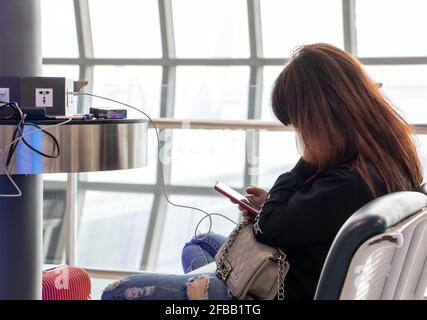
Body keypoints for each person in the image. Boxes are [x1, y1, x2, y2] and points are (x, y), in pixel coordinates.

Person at [101, 43, 423, 300]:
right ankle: (206, 290)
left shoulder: (348, 181)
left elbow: (268, 228)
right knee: (200, 244)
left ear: (320, 118)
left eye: (301, 124)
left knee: (116, 292)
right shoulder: (381, 164)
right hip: (288, 271)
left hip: (275, 289)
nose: (302, 136)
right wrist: (273, 201)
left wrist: (305, 163)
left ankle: (212, 294)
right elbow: (313, 215)